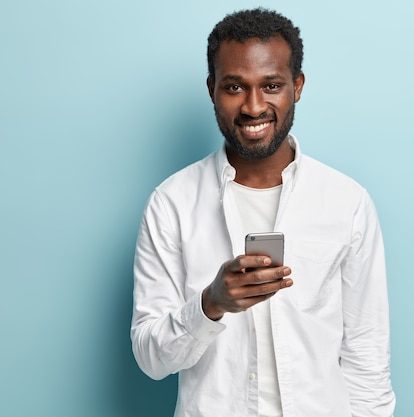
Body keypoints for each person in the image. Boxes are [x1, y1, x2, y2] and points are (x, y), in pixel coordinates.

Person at [131, 8, 395, 417]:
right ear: (211, 89)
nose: (254, 107)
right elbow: (150, 358)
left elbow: (368, 359)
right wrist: (210, 304)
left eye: (271, 85)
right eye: (235, 87)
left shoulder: (347, 202)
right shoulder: (171, 203)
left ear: (297, 86)